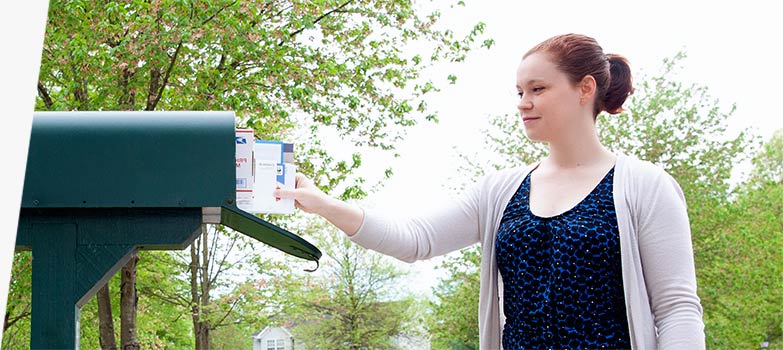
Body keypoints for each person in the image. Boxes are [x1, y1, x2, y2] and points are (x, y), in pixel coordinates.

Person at [274, 33, 705, 349]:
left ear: (585, 89)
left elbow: (677, 309)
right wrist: (325, 205)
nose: (522, 102)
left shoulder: (646, 187)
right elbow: (415, 240)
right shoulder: (501, 190)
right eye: (519, 91)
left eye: (538, 89)